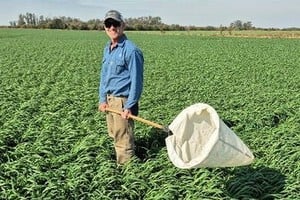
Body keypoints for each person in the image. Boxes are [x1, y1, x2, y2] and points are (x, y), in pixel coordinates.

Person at [98, 10, 144, 164]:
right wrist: (102, 99)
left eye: (115, 24)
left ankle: (128, 176)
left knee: (123, 141)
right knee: (114, 134)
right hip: (110, 100)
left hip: (122, 101)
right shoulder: (108, 48)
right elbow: (105, 77)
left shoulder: (131, 50)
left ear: (123, 25)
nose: (112, 27)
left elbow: (136, 82)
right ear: (104, 27)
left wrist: (129, 106)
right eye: (108, 24)